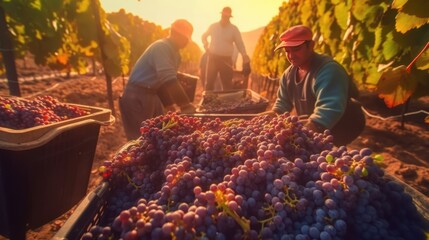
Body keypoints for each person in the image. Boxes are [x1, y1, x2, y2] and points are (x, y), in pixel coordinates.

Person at [264, 25, 365, 146]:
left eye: (296, 49)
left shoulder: (329, 69)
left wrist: (305, 132)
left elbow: (328, 108)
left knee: (325, 154)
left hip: (343, 124)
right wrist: (270, 116)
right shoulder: (288, 75)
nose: (291, 56)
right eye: (287, 51)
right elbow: (283, 103)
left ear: (311, 45)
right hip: (315, 122)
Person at [119, 19, 196, 140]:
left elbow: (162, 82)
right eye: (185, 37)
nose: (187, 41)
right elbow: (167, 78)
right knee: (139, 139)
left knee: (159, 136)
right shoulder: (161, 47)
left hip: (153, 94)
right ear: (175, 33)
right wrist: (185, 104)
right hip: (136, 96)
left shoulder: (176, 54)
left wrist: (169, 104)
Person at [201, 6, 250, 91]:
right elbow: (204, 36)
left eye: (227, 17)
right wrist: (205, 44)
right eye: (224, 16)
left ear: (230, 17)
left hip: (226, 60)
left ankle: (227, 102)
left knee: (227, 84)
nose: (225, 18)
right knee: (209, 83)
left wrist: (244, 56)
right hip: (213, 58)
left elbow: (240, 44)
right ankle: (207, 101)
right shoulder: (213, 26)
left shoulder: (234, 29)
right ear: (221, 15)